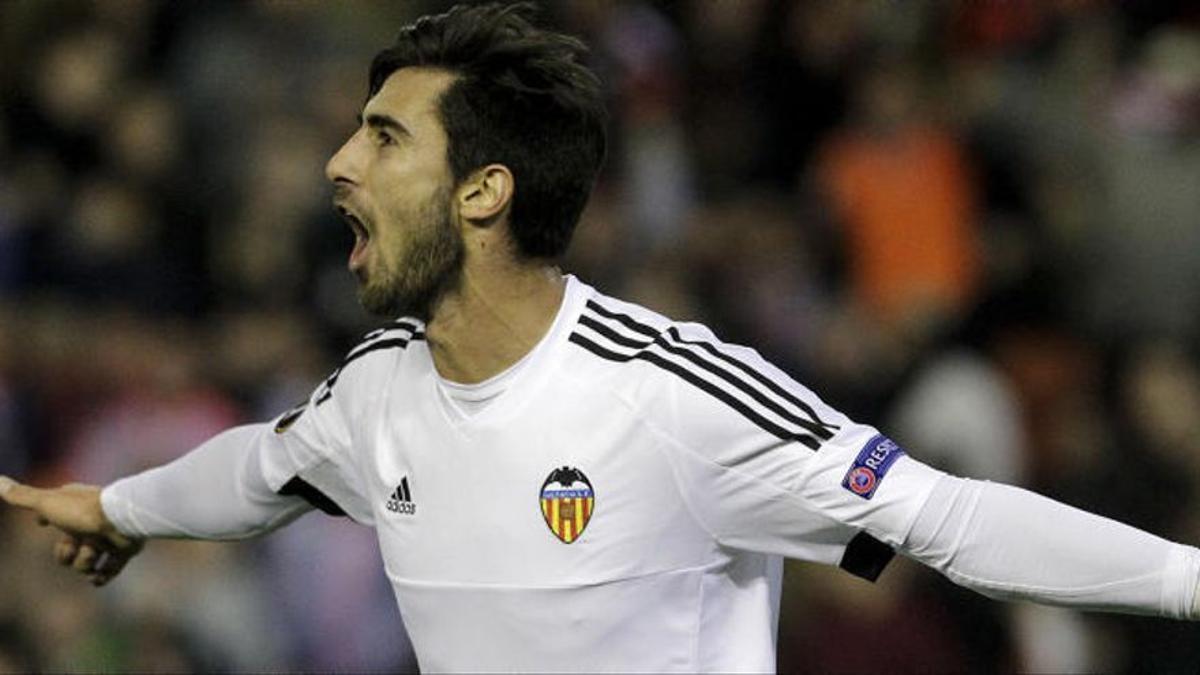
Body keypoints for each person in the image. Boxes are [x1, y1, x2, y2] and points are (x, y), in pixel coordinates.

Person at [1, 4, 1198, 672]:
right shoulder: (375, 396)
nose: (338, 164)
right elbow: (259, 471)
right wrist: (117, 511)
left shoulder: (674, 395)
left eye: (382, 138)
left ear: (483, 192)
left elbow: (946, 518)